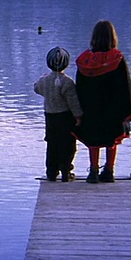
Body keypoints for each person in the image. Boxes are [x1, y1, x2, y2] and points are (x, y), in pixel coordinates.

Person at [73, 20, 131, 183]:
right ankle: (109, 171)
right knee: (111, 139)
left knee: (93, 140)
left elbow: (79, 88)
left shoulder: (84, 61)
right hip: (113, 108)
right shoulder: (117, 58)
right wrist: (127, 111)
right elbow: (125, 87)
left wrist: (77, 112)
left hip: (91, 108)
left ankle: (93, 172)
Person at [34, 46, 83, 182]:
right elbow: (73, 102)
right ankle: (66, 171)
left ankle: (51, 171)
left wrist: (41, 80)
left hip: (50, 117)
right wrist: (78, 117)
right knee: (67, 145)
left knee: (52, 144)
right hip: (65, 118)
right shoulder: (67, 82)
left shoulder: (44, 81)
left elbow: (36, 89)